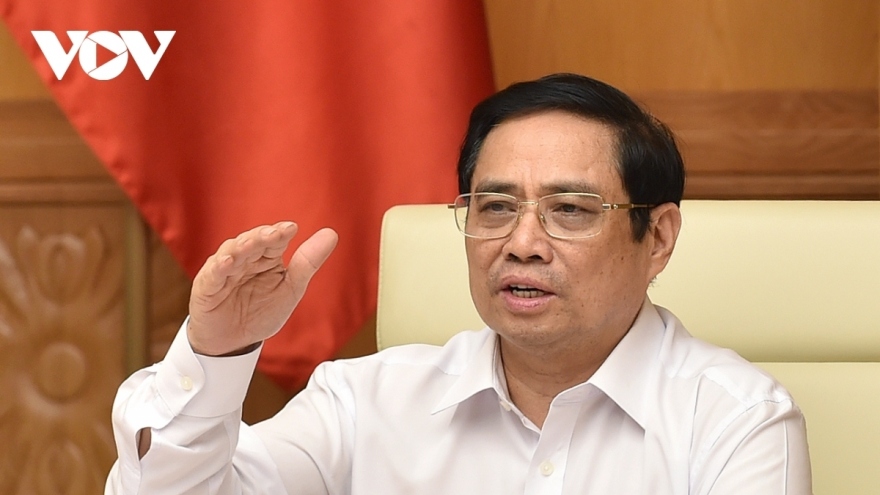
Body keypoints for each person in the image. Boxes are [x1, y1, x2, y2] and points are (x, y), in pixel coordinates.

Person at [105, 74, 812, 494]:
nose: (523, 243)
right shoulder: (363, 402)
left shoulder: (736, 422)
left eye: (569, 210)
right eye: (495, 207)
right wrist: (217, 352)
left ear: (656, 238)